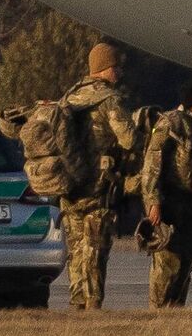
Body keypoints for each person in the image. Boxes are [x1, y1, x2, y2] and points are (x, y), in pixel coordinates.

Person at [55, 42, 139, 310]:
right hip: (98, 187)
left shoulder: (70, 97)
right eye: (116, 67)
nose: (119, 73)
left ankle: (77, 302)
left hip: (69, 184)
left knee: (77, 250)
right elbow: (129, 139)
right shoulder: (108, 99)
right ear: (105, 69)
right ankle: (92, 306)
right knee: (95, 249)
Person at [141, 80, 192, 308]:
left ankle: (175, 309)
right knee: (167, 262)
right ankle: (159, 310)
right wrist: (153, 203)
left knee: (187, 258)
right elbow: (151, 167)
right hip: (171, 203)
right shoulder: (170, 124)